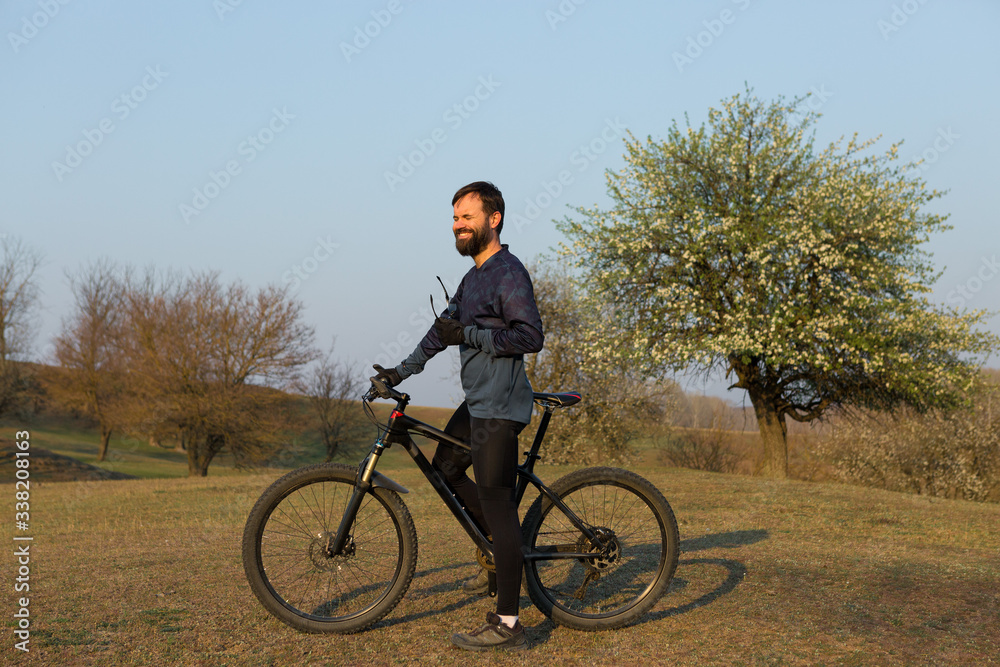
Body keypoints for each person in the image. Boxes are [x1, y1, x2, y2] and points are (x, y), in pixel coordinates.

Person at [374, 181, 543, 652]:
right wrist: (400, 371)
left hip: (500, 407)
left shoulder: (508, 272)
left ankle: (509, 624)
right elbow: (440, 332)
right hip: (478, 404)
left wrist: (470, 335)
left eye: (467, 216)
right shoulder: (473, 279)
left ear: (494, 219)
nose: (458, 225)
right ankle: (501, 551)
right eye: (454, 218)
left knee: (498, 505)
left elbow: (530, 336)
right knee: (445, 470)